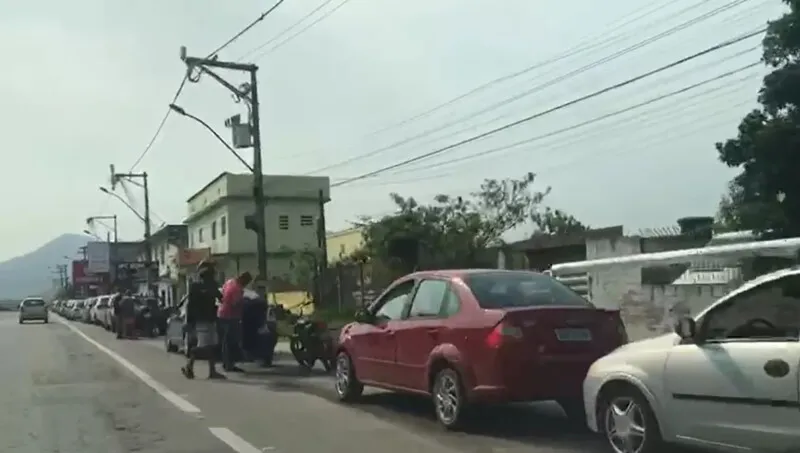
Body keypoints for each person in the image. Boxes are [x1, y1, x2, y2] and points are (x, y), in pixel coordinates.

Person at [182, 260, 225, 380]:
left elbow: (189, 305)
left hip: (205, 319)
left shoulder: (196, 286)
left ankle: (212, 371)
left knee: (211, 345)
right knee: (205, 346)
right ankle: (189, 366)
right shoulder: (210, 285)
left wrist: (189, 321)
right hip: (205, 320)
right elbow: (221, 298)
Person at [218, 272, 253, 372]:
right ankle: (229, 364)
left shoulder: (229, 282)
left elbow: (222, 294)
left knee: (226, 341)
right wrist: (244, 302)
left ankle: (227, 363)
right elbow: (235, 303)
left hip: (222, 313)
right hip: (231, 316)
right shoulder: (237, 289)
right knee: (231, 341)